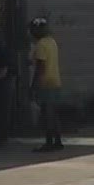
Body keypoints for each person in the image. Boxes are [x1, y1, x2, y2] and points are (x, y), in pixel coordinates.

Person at [28, 17, 64, 151]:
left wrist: (34, 85)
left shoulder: (41, 45)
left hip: (45, 83)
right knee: (54, 113)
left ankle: (49, 142)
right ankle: (58, 140)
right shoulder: (52, 42)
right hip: (56, 81)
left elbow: (41, 67)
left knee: (47, 113)